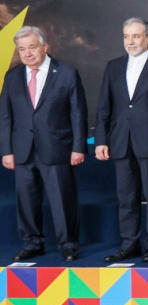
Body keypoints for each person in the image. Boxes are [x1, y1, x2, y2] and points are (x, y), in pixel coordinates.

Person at [0, 26, 87, 262]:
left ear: (45, 46)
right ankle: (33, 242)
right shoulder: (12, 77)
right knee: (27, 200)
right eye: (21, 49)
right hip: (22, 150)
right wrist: (6, 151)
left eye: (32, 47)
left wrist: (78, 147)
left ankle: (68, 244)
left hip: (57, 148)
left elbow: (78, 114)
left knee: (62, 199)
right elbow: (5, 116)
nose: (27, 53)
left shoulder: (67, 73)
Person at [94, 18, 148, 264]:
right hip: (120, 141)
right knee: (126, 197)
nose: (130, 42)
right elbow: (104, 107)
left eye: (135, 36)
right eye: (126, 36)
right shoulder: (113, 66)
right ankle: (129, 244)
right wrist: (101, 140)